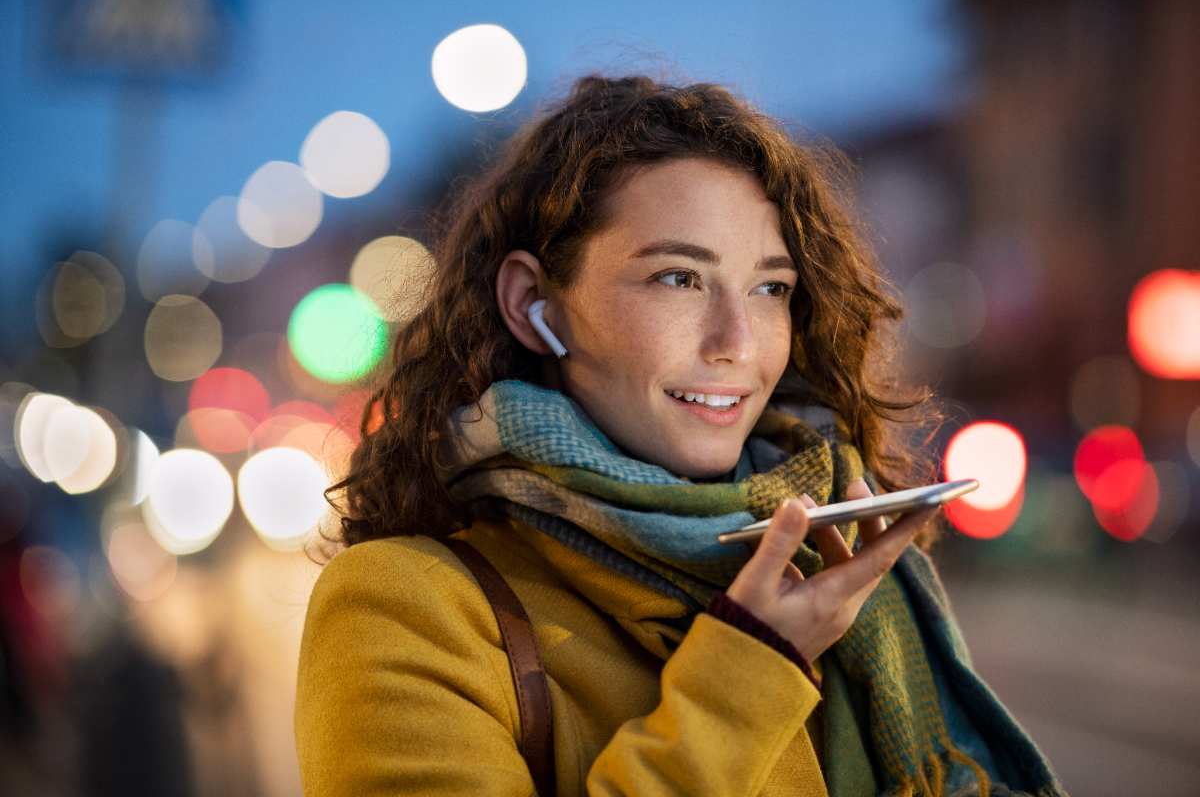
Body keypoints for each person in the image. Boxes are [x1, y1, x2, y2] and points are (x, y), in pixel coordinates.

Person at [294, 74, 1067, 796]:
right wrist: (751, 665)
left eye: (771, 289)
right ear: (535, 304)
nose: (736, 340)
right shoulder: (405, 606)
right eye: (678, 278)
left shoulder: (823, 572)